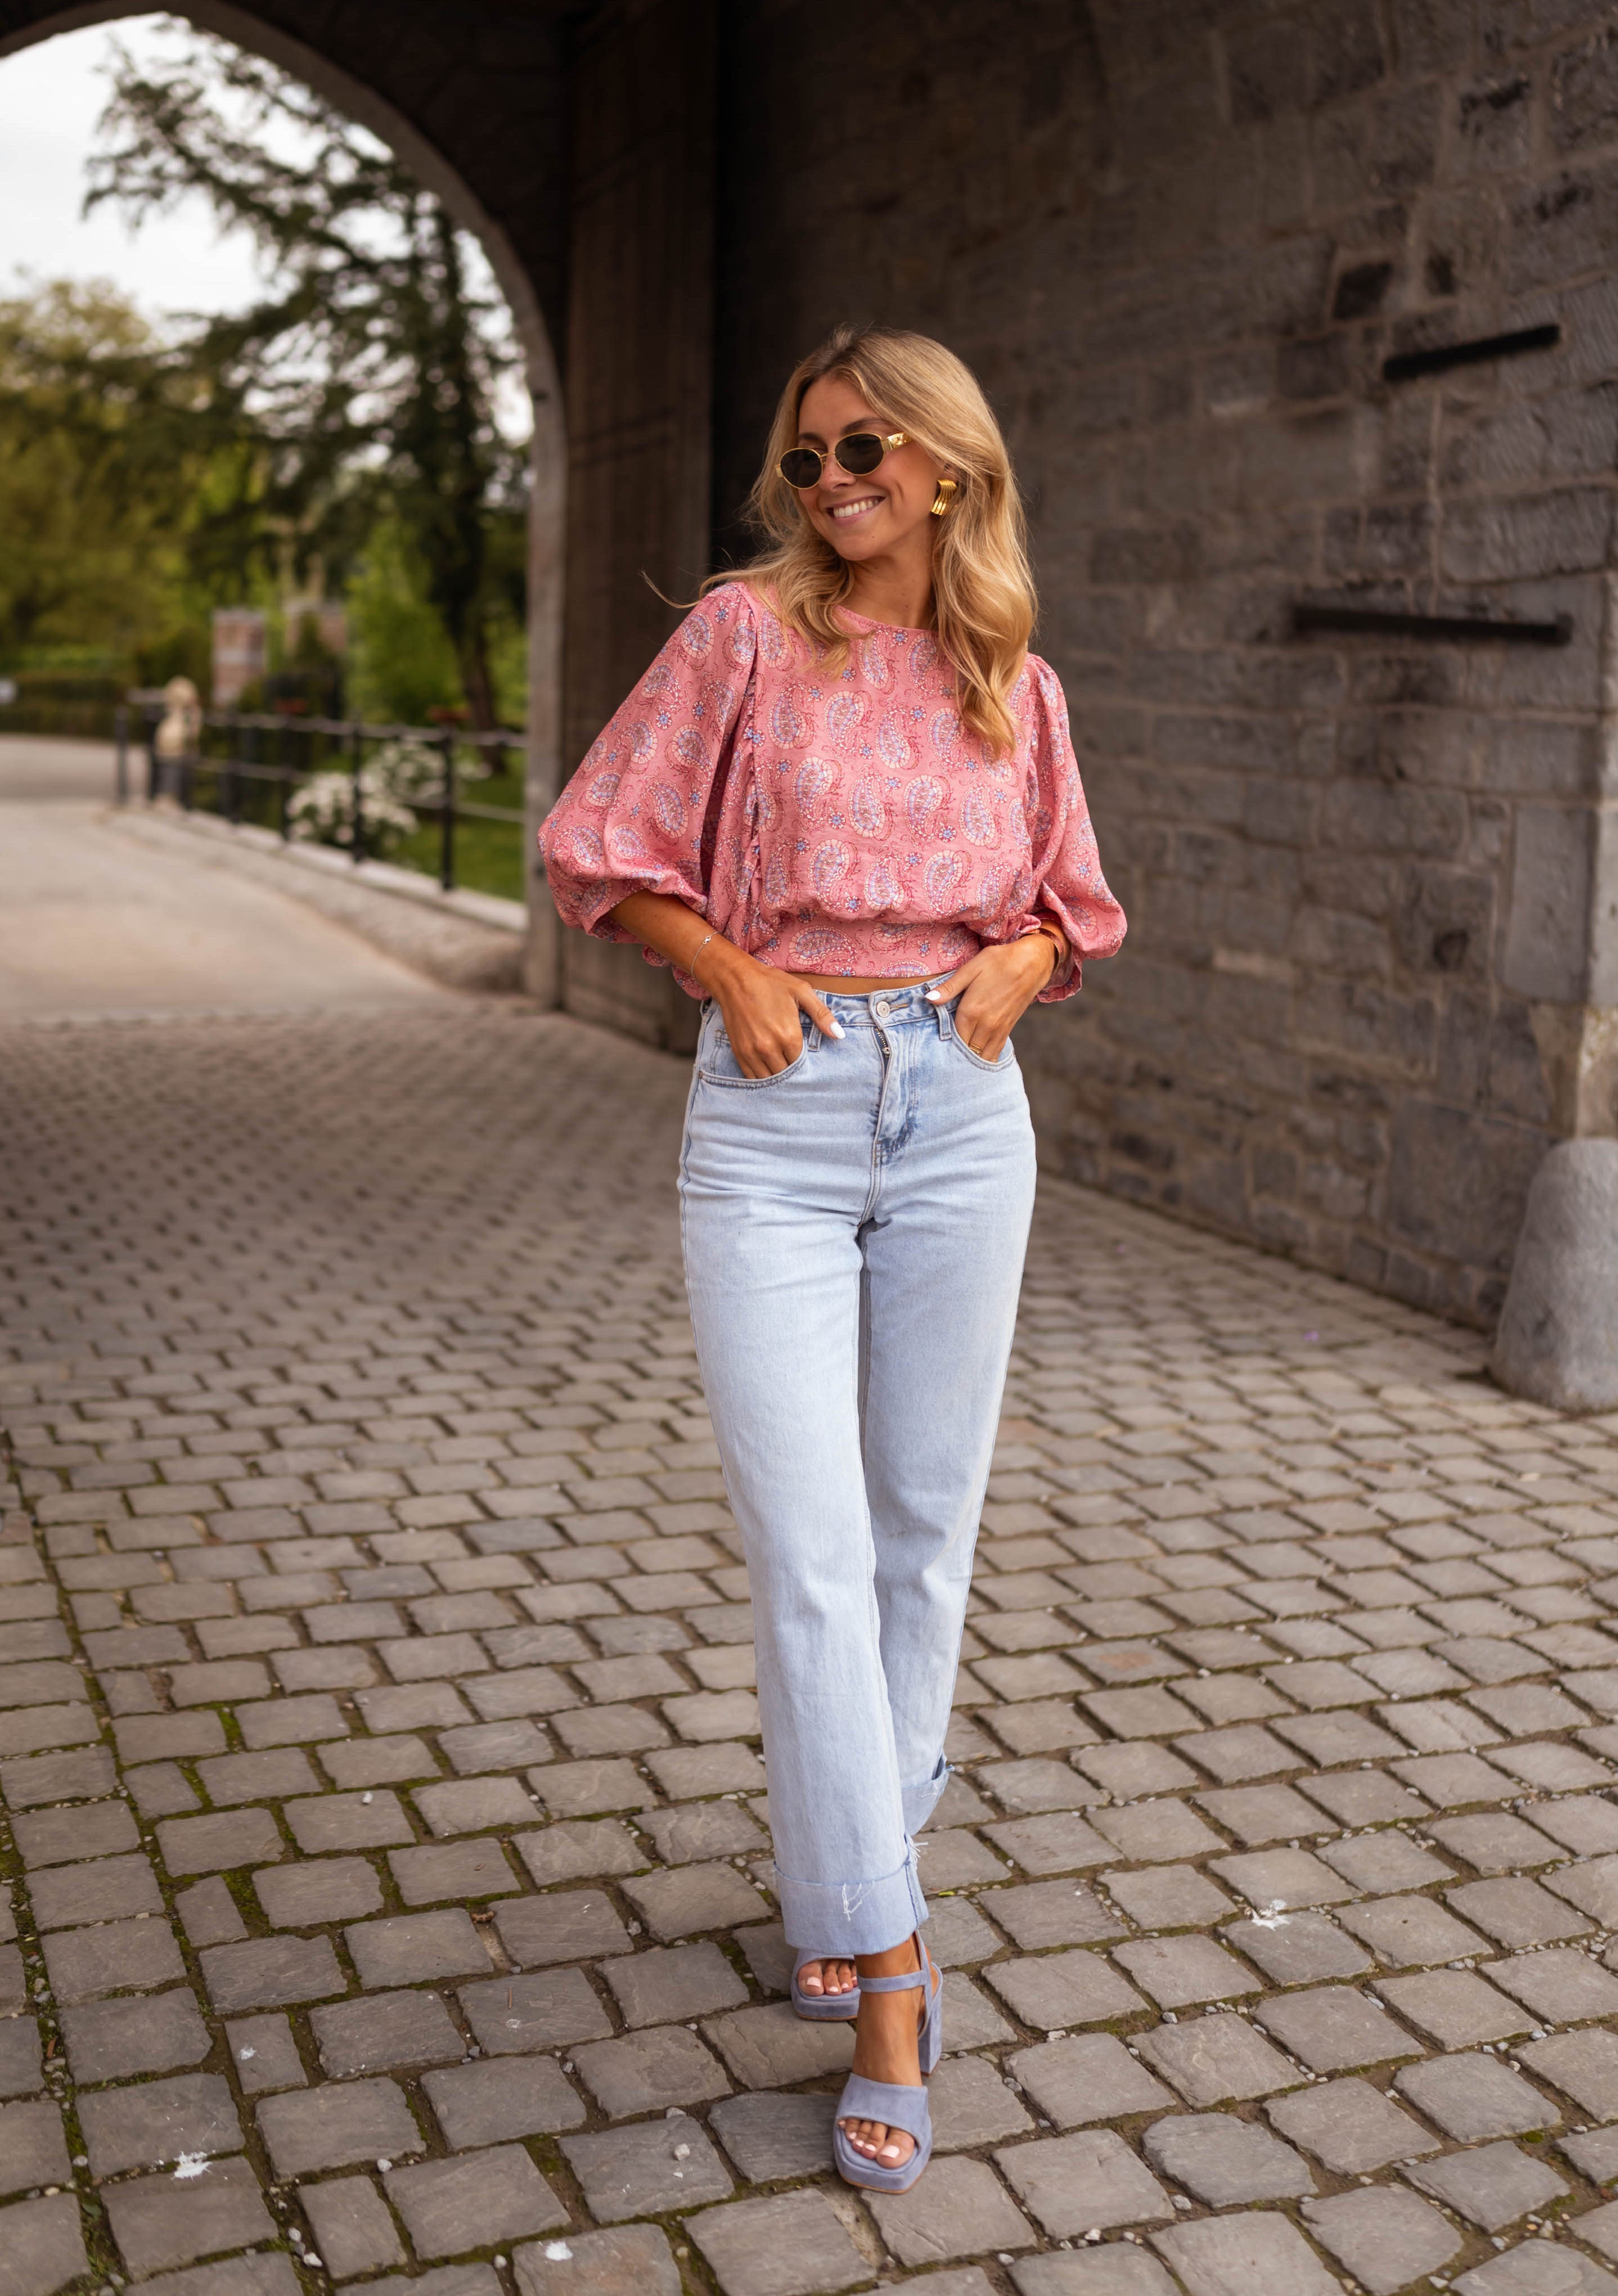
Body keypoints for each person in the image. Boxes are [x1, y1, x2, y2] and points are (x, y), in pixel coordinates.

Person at [539, 323, 1125, 2192]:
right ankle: (888, 1968)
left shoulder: (1007, 675)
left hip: (959, 1105)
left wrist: (1024, 970)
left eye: (862, 448)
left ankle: (841, 1874)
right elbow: (596, 847)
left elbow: (1070, 903)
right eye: (804, 458)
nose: (829, 481)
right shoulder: (739, 635)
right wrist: (727, 968)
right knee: (806, 1554)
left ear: (947, 464)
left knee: (917, 1538)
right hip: (777, 1115)